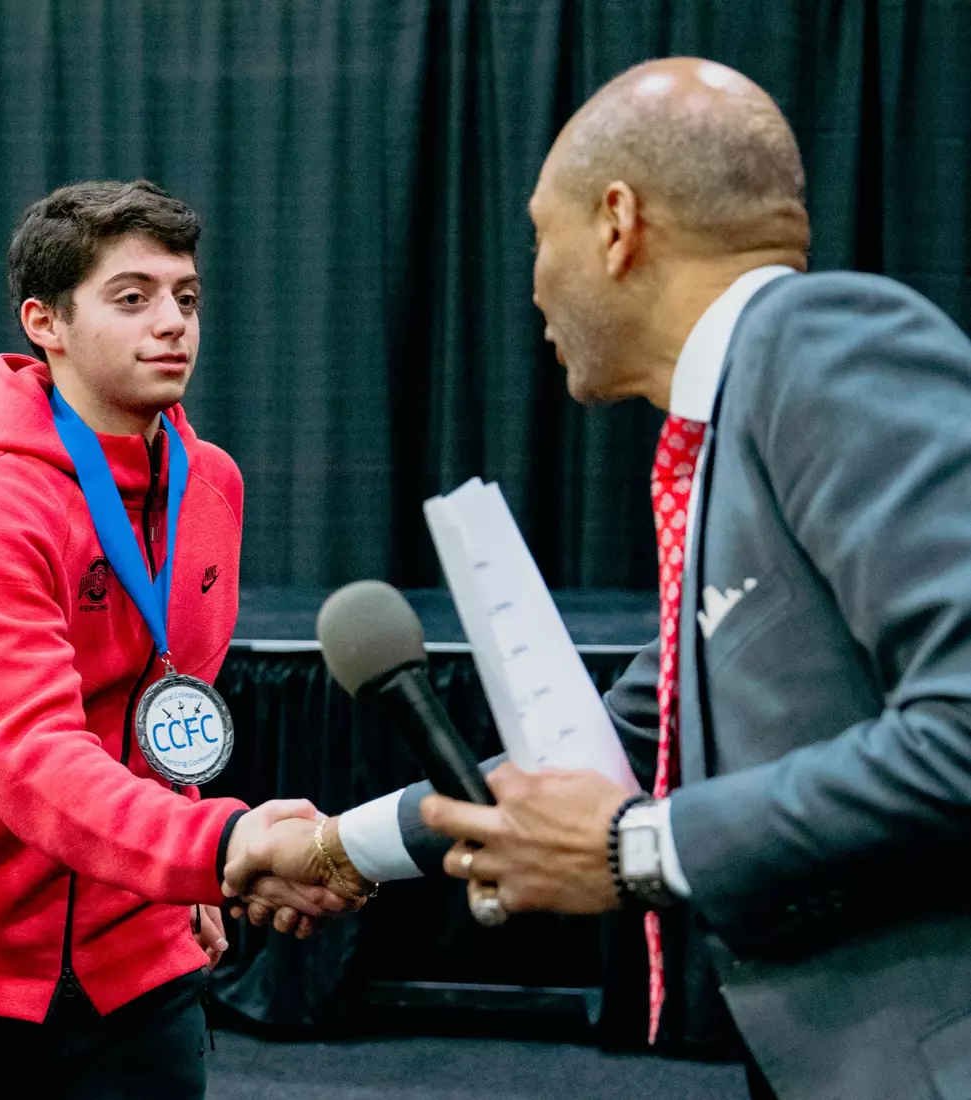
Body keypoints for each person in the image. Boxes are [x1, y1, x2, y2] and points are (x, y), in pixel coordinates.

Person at [224, 60, 971, 1100]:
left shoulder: (823, 345)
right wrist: (334, 846)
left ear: (616, 223)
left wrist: (637, 847)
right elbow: (611, 742)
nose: (530, 281)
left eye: (540, 234)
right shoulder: (728, 432)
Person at [0, 179, 359, 1100]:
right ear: (47, 322)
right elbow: (30, 757)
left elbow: (170, 697)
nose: (172, 323)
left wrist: (185, 860)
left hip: (141, 955)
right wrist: (223, 847)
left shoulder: (212, 487)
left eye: (185, 297)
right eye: (133, 298)